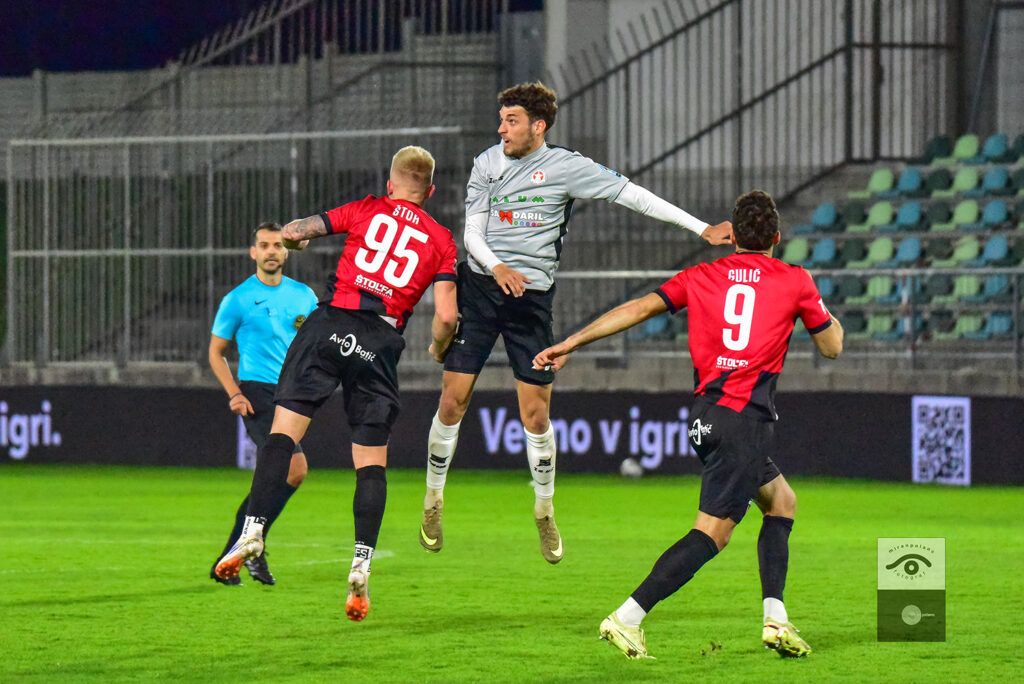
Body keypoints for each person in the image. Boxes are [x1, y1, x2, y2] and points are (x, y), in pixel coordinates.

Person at [418, 81, 734, 564]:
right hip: (481, 288)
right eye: (501, 120)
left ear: (538, 125)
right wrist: (498, 267)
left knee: (536, 416)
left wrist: (702, 228)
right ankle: (433, 500)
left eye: (511, 121)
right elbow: (472, 234)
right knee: (452, 401)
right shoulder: (487, 164)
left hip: (531, 301)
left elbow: (633, 195)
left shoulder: (567, 167)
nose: (501, 129)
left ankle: (544, 510)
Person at [533, 190, 843, 659]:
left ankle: (776, 619)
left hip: (705, 417)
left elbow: (638, 308)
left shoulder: (700, 276)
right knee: (713, 532)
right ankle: (628, 617)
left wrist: (572, 342)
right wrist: (818, 305)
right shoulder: (795, 280)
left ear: (732, 236)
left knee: (781, 502)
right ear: (777, 238)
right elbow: (832, 347)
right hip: (744, 421)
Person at [214, 146, 459, 622]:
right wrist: (438, 347)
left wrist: (298, 242)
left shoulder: (367, 208)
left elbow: (293, 231)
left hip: (331, 325)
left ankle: (253, 530)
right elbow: (446, 316)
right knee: (370, 463)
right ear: (429, 191)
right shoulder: (442, 240)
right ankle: (361, 563)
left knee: (283, 435)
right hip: (380, 341)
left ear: (389, 183)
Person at [208, 222, 318, 586]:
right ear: (253, 252)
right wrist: (234, 393)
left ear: (287, 251)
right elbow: (216, 352)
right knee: (293, 468)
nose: (271, 251)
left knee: (276, 476)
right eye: (264, 245)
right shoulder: (238, 299)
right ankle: (248, 547)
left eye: (277, 245)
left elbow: (315, 342)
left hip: (293, 393)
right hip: (258, 393)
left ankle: (240, 551)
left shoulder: (304, 295)